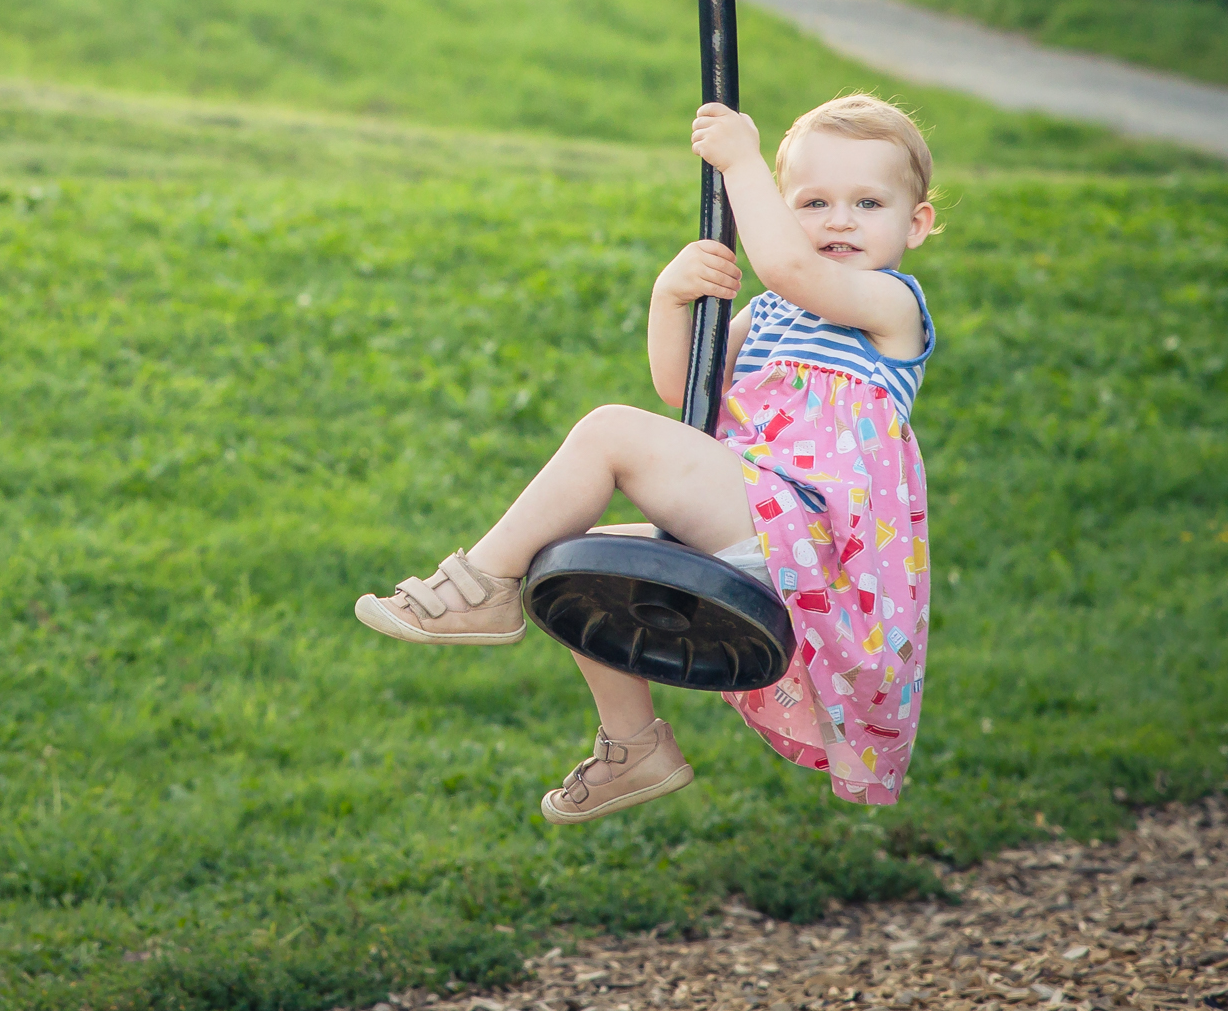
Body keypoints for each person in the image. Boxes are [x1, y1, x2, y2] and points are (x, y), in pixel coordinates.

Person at [354, 92, 940, 820]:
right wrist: (670, 298)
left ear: (916, 224)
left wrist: (741, 162)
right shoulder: (769, 315)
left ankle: (479, 585)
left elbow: (788, 266)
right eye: (813, 202)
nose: (840, 220)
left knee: (608, 432)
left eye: (867, 203)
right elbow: (681, 389)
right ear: (785, 210)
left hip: (806, 532)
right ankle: (633, 747)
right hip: (761, 516)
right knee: (575, 561)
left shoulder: (891, 308)